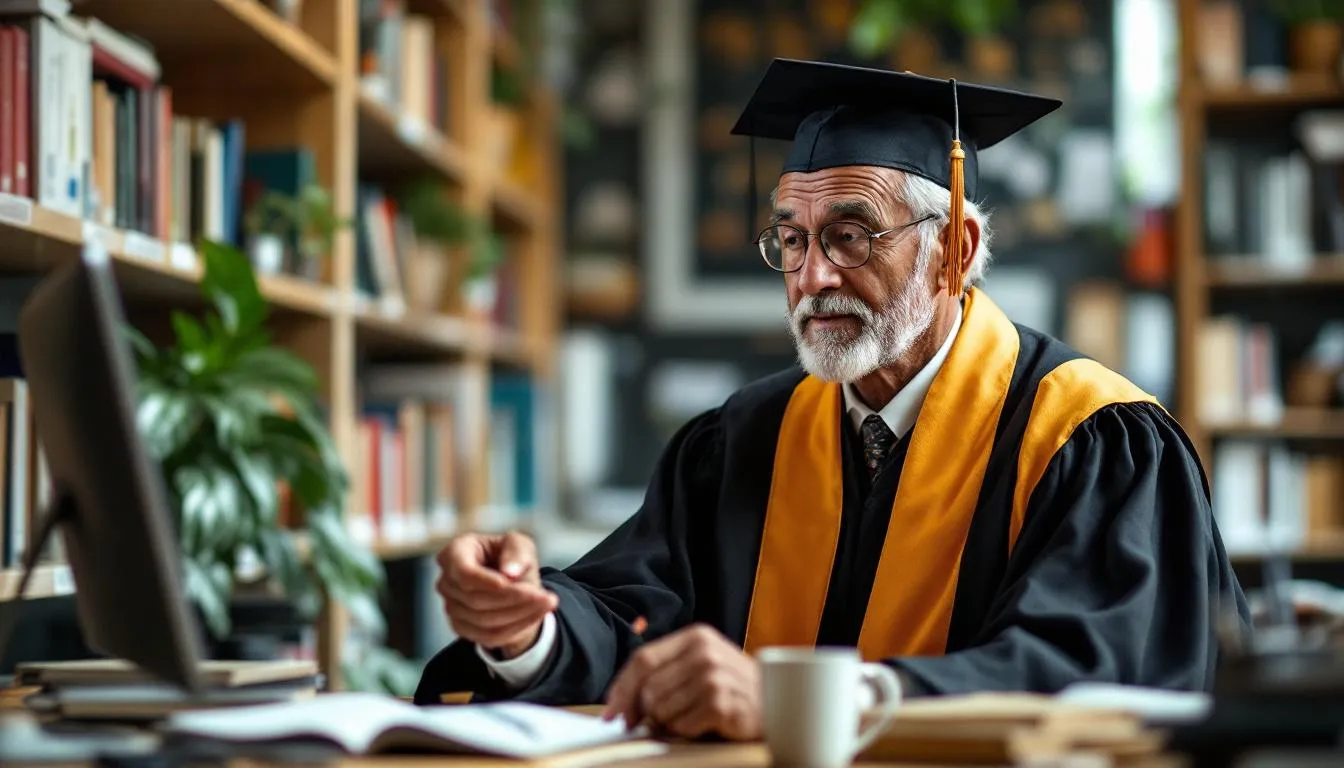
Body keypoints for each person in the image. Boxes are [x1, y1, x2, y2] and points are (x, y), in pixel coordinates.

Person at [414, 59, 1251, 741]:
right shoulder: (743, 441)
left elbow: (1097, 675)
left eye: (851, 236)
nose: (812, 278)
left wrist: (811, 701)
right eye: (791, 239)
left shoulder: (1092, 439)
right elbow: (636, 619)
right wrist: (526, 628)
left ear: (953, 250)